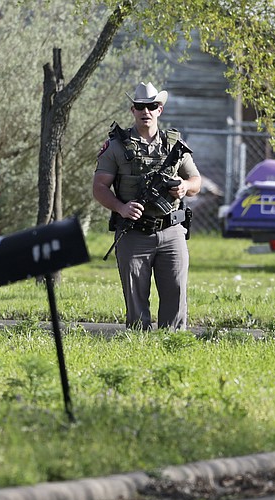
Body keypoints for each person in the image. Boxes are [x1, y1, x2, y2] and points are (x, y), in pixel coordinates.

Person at [93, 81, 202, 330]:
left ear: (160, 109)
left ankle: (173, 345)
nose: (146, 112)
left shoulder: (174, 145)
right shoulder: (116, 147)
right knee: (136, 301)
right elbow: (99, 187)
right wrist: (121, 208)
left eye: (152, 106)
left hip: (172, 231)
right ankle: (139, 347)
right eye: (140, 106)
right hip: (133, 233)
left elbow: (197, 181)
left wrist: (184, 186)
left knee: (176, 295)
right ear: (133, 110)